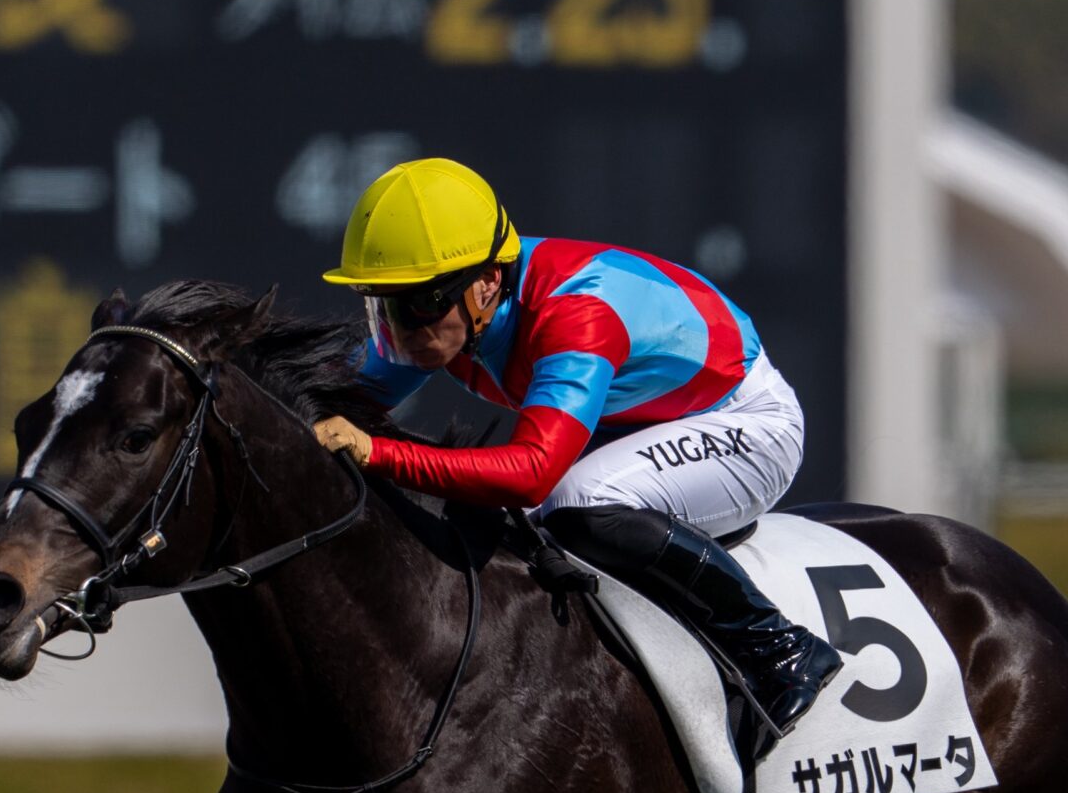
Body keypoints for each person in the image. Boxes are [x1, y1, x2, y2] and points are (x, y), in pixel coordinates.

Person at [311, 157, 842, 737]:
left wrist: (378, 452)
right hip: (648, 422)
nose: (400, 330)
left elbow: (530, 473)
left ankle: (778, 647)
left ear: (489, 282)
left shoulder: (576, 315)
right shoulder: (460, 305)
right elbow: (336, 400)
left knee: (574, 502)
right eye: (381, 304)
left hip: (746, 423)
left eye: (418, 303)